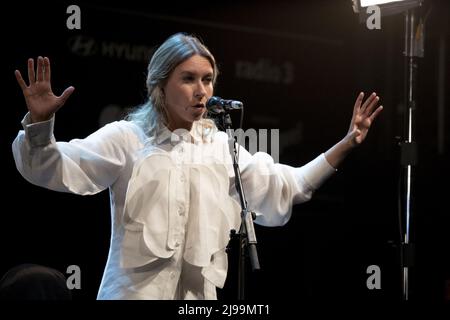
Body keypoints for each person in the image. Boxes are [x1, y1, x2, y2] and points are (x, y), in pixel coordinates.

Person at [12, 32, 383, 300]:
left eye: (207, 79)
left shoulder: (222, 149)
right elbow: (56, 167)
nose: (201, 90)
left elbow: (289, 186)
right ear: (160, 85)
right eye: (188, 79)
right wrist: (40, 126)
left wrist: (348, 142)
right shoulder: (128, 138)